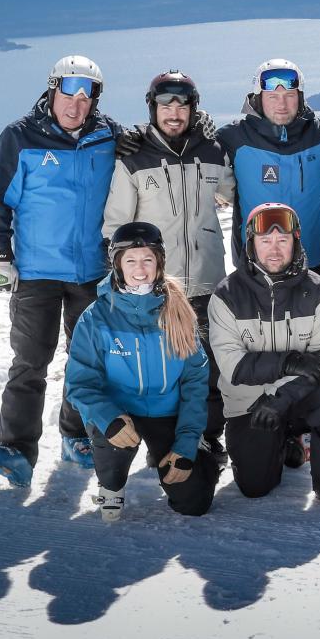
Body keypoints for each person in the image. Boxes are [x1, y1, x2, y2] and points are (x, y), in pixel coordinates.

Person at [0, 55, 121, 486]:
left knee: (85, 364)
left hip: (91, 272)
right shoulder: (21, 137)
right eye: (68, 92)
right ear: (52, 89)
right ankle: (16, 450)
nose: (76, 105)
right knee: (30, 362)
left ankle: (75, 437)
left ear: (94, 100)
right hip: (37, 272)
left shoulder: (108, 136)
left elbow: (155, 144)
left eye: (86, 95)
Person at [103, 70, 233, 460]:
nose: (174, 112)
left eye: (183, 105)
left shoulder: (212, 152)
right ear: (152, 108)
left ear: (194, 109)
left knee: (208, 370)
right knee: (164, 370)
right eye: (165, 105)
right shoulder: (134, 158)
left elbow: (233, 191)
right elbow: (115, 227)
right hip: (159, 287)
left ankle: (207, 438)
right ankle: (163, 442)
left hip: (208, 279)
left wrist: (218, 138)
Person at [65, 222, 220, 521]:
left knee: (194, 503)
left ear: (159, 263)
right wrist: (108, 419)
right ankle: (111, 483)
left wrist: (186, 443)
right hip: (121, 414)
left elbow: (194, 381)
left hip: (166, 413)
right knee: (112, 434)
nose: (140, 269)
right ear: (117, 265)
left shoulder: (178, 311)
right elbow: (80, 383)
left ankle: (198, 457)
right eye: (130, 260)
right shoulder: (97, 318)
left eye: (148, 259)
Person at [210, 203, 320, 509]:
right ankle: (285, 443)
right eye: (265, 241)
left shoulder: (319, 293)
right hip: (250, 402)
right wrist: (289, 361)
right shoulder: (226, 296)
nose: (274, 250)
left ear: (296, 242)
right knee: (255, 487)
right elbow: (232, 365)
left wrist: (280, 396)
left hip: (297, 397)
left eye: (283, 241)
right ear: (251, 244)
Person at [216, 59, 320, 278]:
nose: (282, 105)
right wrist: (137, 140)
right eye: (273, 97)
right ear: (258, 99)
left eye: (289, 96)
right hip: (254, 267)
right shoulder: (234, 138)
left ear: (300, 98)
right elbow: (187, 151)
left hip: (311, 267)